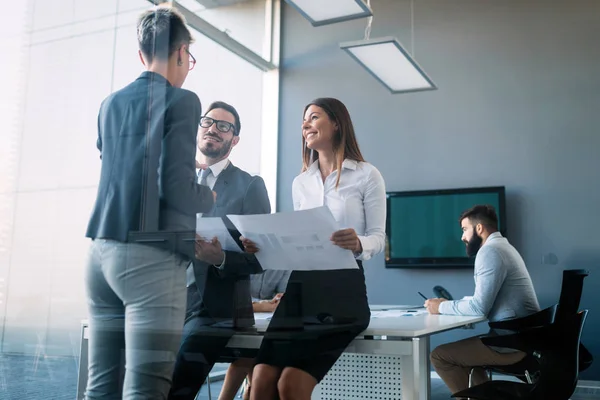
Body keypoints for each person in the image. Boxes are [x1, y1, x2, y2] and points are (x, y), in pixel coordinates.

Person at [84, 6, 215, 399]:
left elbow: (116, 161)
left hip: (100, 255)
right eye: (188, 59)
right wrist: (207, 195)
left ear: (142, 54)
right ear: (180, 53)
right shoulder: (183, 100)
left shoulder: (110, 103)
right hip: (150, 257)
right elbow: (174, 190)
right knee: (146, 388)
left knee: (102, 384)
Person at [241, 97, 386, 400]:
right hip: (301, 289)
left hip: (342, 291)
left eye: (314, 117)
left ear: (336, 123)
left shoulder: (366, 174)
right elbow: (297, 242)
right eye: (304, 120)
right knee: (261, 377)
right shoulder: (300, 182)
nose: (306, 124)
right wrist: (264, 247)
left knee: (290, 384)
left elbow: (378, 237)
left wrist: (359, 243)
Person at [168, 101, 271, 400]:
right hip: (168, 297)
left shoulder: (249, 185)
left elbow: (262, 257)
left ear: (234, 140)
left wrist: (223, 258)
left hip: (216, 307)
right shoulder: (177, 180)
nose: (213, 128)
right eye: (208, 122)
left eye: (224, 126)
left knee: (175, 383)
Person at [424, 204, 540, 398]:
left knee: (440, 356)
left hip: (510, 342)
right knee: (465, 357)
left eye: (464, 229)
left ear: (479, 228)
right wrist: (452, 305)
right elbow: (484, 300)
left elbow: (479, 308)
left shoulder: (490, 251)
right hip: (524, 337)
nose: (462, 237)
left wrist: (440, 306)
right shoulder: (504, 247)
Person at [219, 270, 291, 400]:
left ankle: (250, 391)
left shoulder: (283, 264)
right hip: (226, 322)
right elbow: (230, 299)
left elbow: (282, 296)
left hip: (263, 326)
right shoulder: (240, 257)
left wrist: (277, 300)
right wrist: (261, 306)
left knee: (258, 353)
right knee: (250, 352)